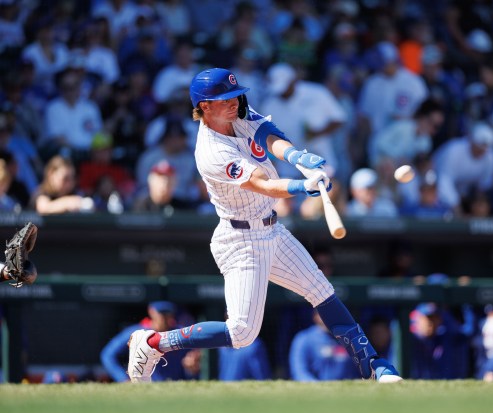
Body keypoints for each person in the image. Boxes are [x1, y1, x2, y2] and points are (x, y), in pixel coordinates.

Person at [126, 68, 402, 383]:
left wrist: (297, 155)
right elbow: (261, 184)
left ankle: (374, 367)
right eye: (224, 99)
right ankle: (153, 343)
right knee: (242, 332)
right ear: (204, 106)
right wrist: (300, 187)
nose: (234, 102)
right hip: (241, 240)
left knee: (323, 292)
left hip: (271, 229)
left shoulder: (237, 114)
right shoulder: (211, 151)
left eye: (235, 95)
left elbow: (268, 136)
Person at [101, 301, 200, 382]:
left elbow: (193, 364)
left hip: (176, 385)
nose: (165, 317)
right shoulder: (138, 332)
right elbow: (108, 355)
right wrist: (123, 378)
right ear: (151, 312)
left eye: (168, 313)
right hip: (146, 385)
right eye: (161, 313)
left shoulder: (180, 333)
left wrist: (192, 368)